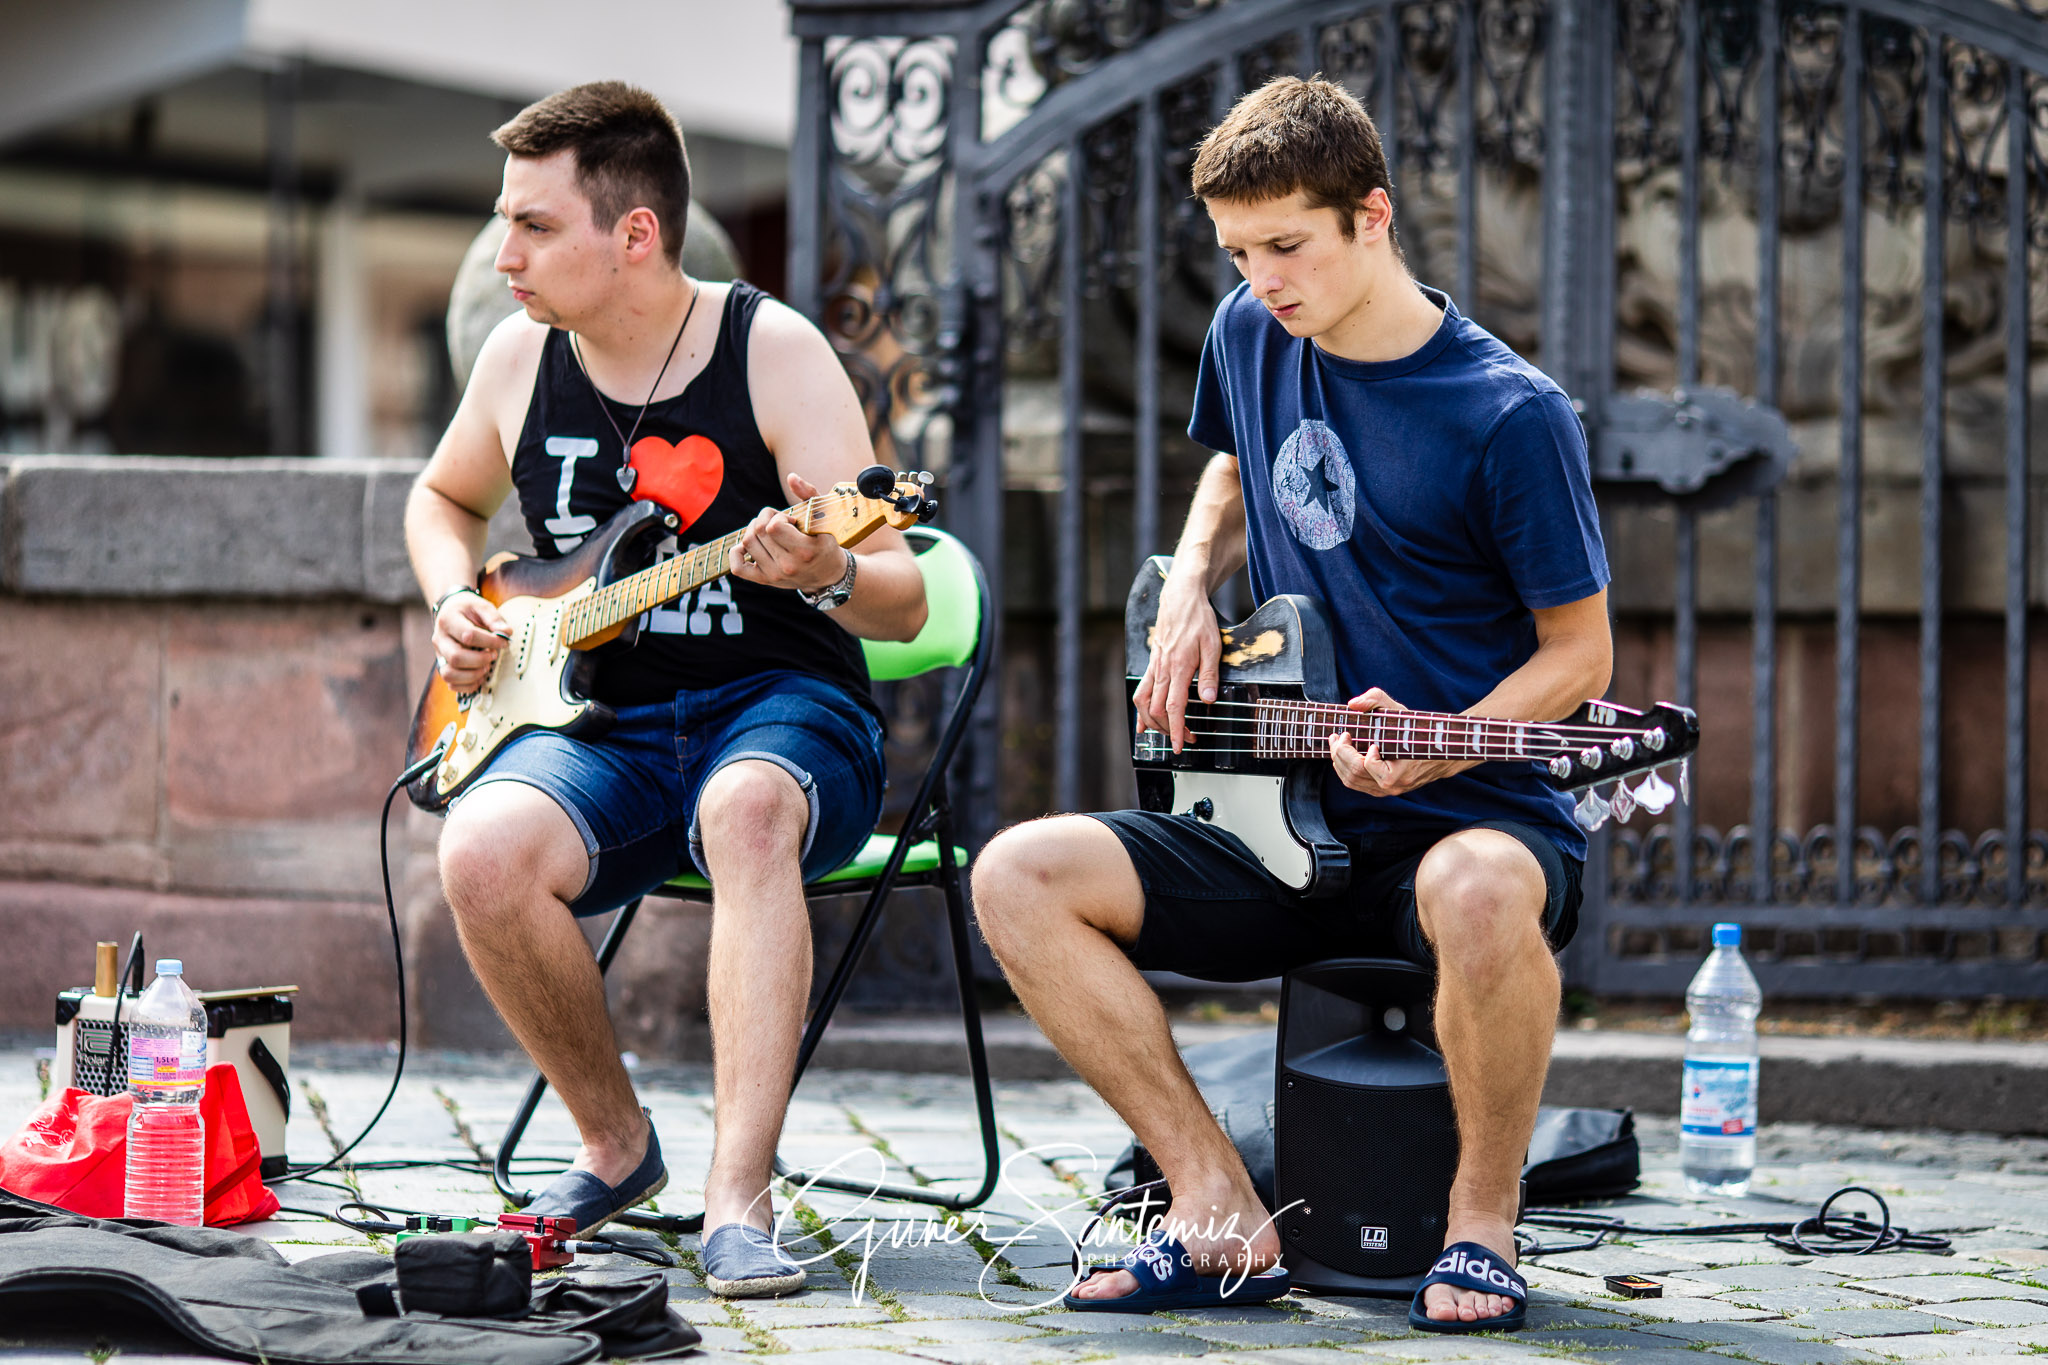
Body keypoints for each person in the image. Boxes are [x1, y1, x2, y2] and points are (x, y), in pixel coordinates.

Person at [972, 77, 1611, 1330]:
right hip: (1271, 816)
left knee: (1476, 888)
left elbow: (1578, 656)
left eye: (1285, 247)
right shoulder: (1249, 330)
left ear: (1371, 217)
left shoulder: (1509, 414)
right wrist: (1187, 591)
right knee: (1014, 876)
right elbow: (1228, 462)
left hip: (1467, 815)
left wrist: (1442, 747)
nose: (1261, 279)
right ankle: (1215, 1209)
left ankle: (1479, 1226)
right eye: (1236, 252)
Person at [403, 82, 927, 1298]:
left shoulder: (772, 349)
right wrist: (453, 602)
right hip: (604, 722)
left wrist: (832, 565)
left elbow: (903, 592)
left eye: (533, 225)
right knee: (479, 851)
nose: (503, 254)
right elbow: (443, 500)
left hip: (784, 711)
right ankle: (614, 1145)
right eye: (503, 221)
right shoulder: (516, 353)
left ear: (633, 234)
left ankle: (739, 1198)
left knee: (744, 809)